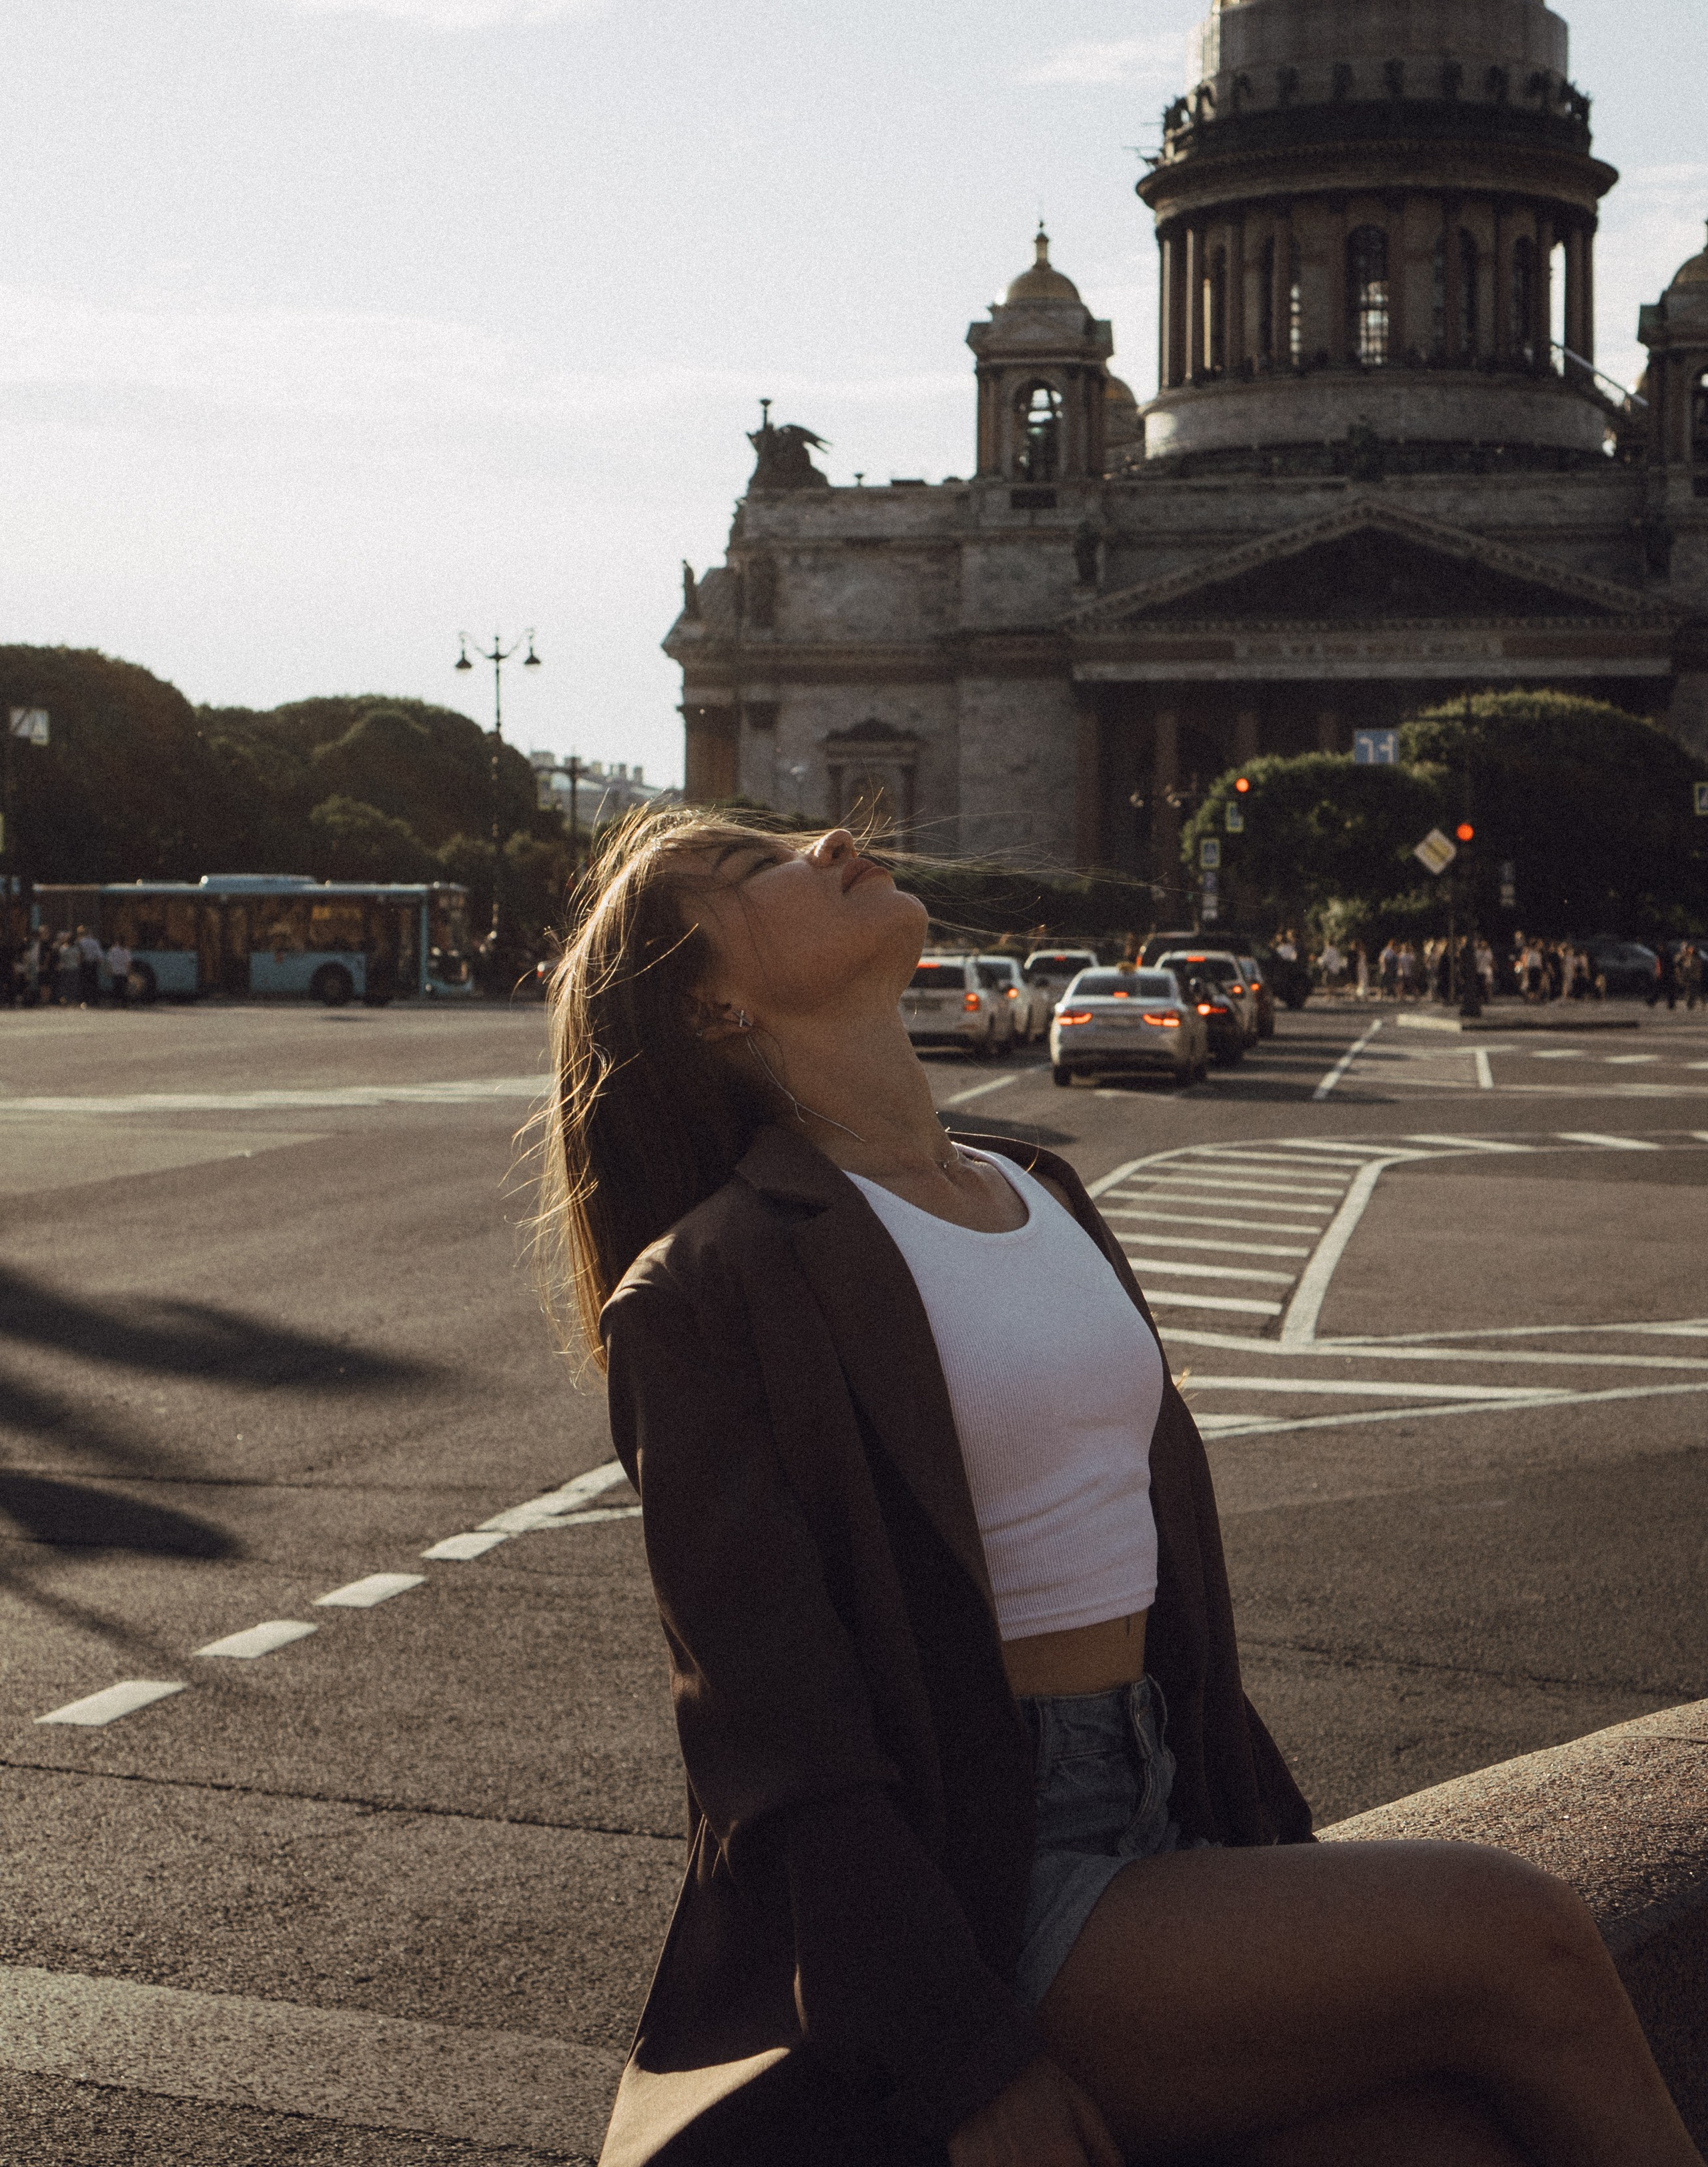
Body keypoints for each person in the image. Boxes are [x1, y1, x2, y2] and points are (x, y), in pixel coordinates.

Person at [536, 809, 1701, 2167]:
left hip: (1161, 1808)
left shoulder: (1037, 1189)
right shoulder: (704, 1285)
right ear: (711, 1003)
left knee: (1436, 2141)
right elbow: (771, 1731)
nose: (835, 838)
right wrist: (964, 2066)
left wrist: (1267, 1847)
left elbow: (1166, 1587)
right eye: (757, 870)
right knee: (1525, 1937)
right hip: (981, 1882)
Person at [105, 935, 131, 1007]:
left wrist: (109, 970)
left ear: (117, 942)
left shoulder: (112, 950)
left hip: (115, 972)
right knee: (123, 989)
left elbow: (110, 962)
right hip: (124, 972)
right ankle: (124, 1004)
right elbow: (128, 963)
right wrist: (129, 972)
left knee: (116, 988)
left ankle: (115, 1003)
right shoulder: (126, 951)